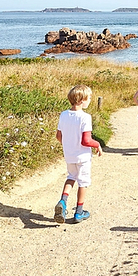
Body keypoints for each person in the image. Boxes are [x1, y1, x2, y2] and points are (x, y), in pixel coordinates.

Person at [54, 85, 102, 224]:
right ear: (81, 100)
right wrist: (97, 145)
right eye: (89, 98)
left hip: (69, 154)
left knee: (71, 177)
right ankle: (79, 212)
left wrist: (68, 145)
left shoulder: (63, 115)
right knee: (83, 182)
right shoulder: (85, 117)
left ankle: (63, 202)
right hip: (82, 156)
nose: (90, 100)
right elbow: (86, 140)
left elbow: (58, 136)